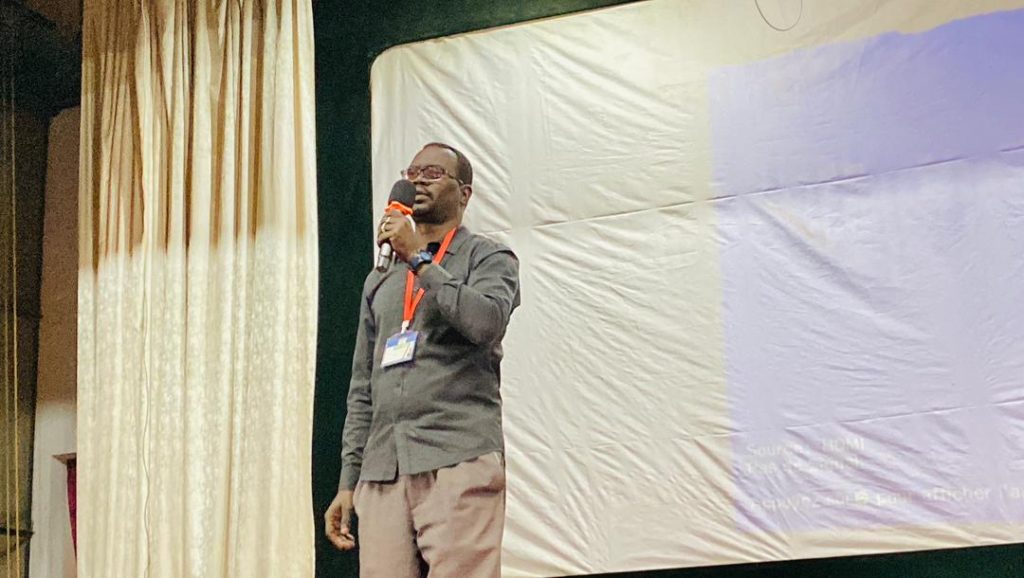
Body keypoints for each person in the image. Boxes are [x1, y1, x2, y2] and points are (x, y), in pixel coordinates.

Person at [325, 143, 521, 577]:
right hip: (383, 468)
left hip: (455, 457)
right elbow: (363, 386)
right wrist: (348, 479)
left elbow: (485, 322)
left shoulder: (488, 258)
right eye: (412, 173)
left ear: (464, 194)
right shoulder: (380, 278)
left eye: (432, 173)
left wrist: (418, 257)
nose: (417, 181)